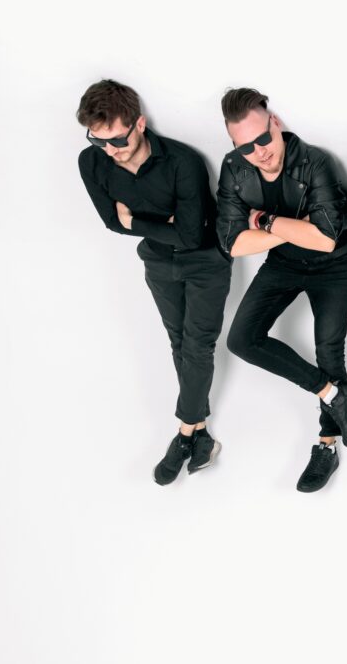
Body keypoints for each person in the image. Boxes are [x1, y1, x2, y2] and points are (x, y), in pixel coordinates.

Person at [76, 79, 231, 486]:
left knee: (198, 344)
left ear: (139, 124)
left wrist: (136, 220)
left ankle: (184, 434)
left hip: (206, 260)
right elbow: (112, 222)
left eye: (118, 139)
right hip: (158, 260)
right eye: (99, 140)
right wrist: (161, 224)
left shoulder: (182, 162)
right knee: (178, 341)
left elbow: (191, 236)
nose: (110, 150)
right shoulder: (91, 162)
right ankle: (201, 435)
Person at [217, 88, 347, 493]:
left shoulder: (315, 162)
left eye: (263, 138)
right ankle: (332, 392)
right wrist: (297, 229)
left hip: (334, 267)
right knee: (241, 339)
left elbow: (326, 239)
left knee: (329, 349)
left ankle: (326, 446)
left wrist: (263, 221)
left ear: (275, 122)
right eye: (246, 147)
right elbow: (233, 244)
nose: (259, 152)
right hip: (283, 265)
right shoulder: (234, 169)